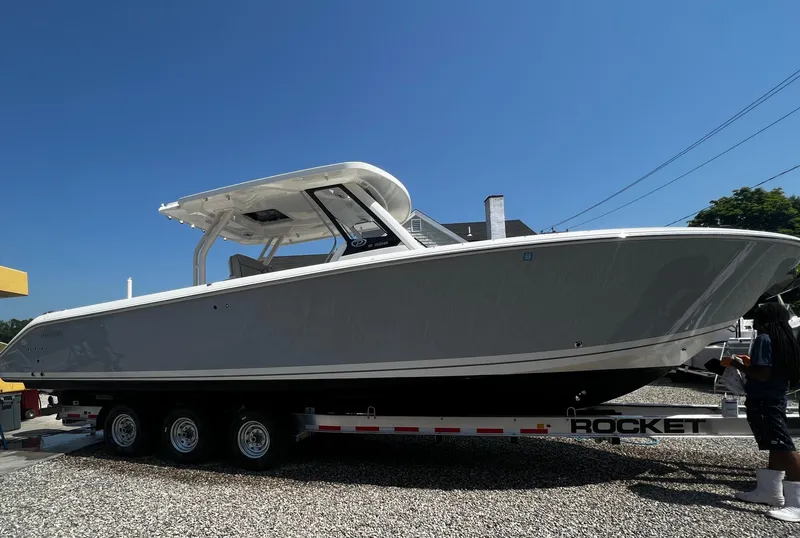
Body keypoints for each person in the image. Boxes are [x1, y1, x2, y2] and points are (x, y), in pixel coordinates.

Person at [732, 302, 800, 522]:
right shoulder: (785, 339)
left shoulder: (764, 338)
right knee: (775, 445)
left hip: (764, 399)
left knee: (784, 448)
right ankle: (769, 492)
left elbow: (761, 374)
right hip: (776, 396)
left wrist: (739, 365)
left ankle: (798, 504)